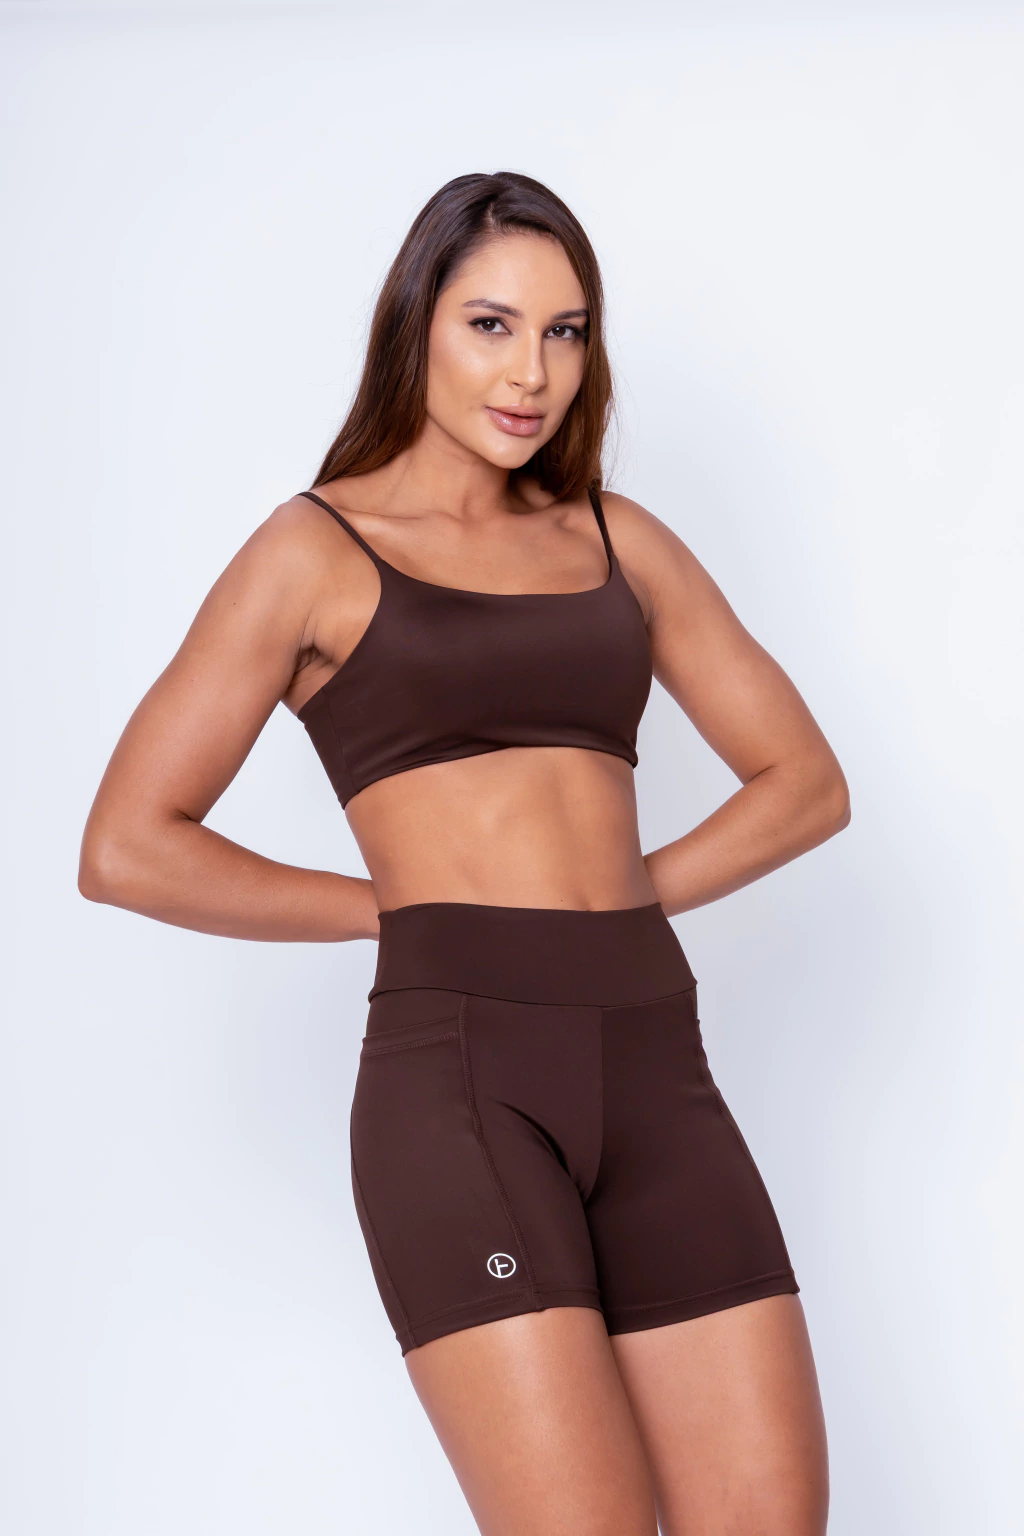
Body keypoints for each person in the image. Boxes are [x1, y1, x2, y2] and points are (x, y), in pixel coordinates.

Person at [79, 171, 848, 1535]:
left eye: (565, 332)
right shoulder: (315, 550)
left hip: (658, 1071)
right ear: (417, 325)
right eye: (492, 325)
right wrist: (397, 910)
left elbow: (806, 783)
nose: (531, 372)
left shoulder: (616, 540)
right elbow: (128, 845)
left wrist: (626, 902)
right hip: (463, 1088)